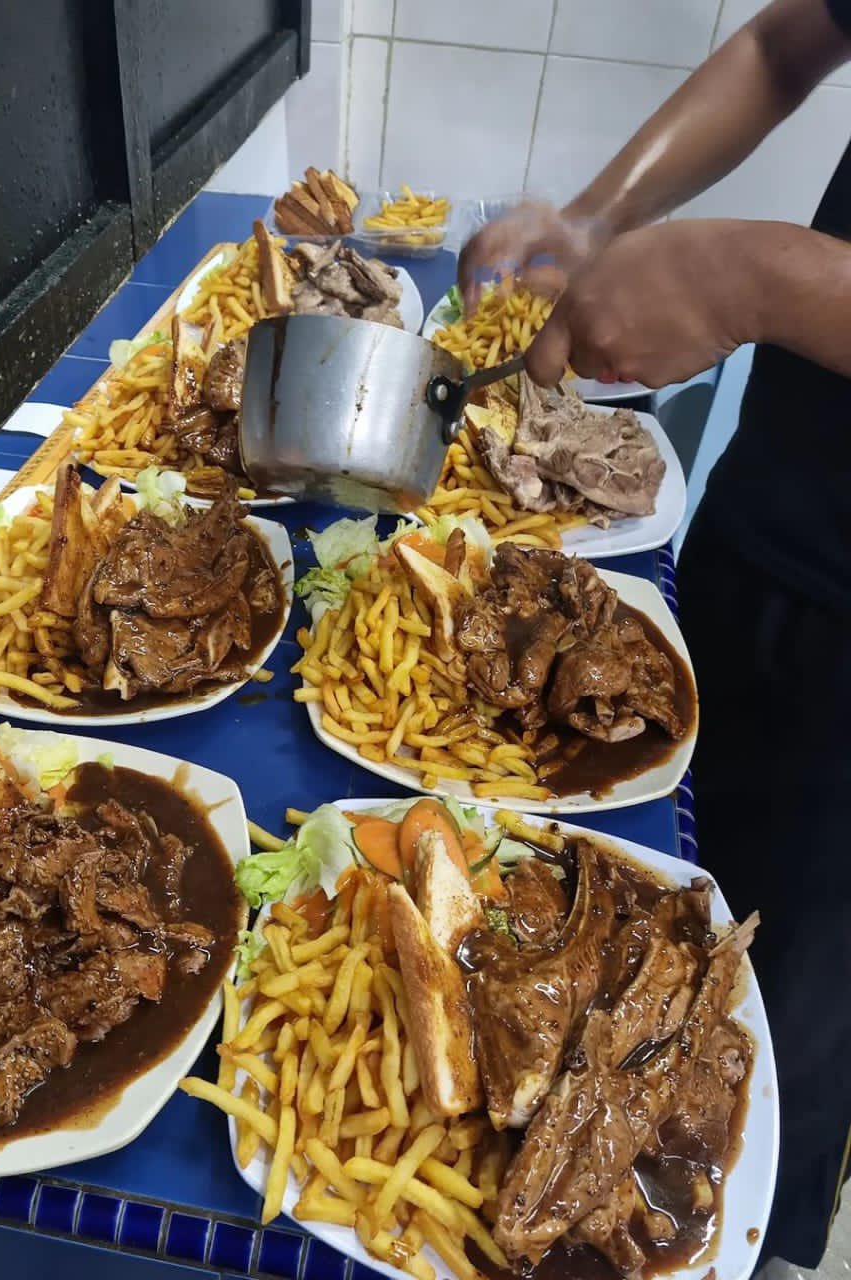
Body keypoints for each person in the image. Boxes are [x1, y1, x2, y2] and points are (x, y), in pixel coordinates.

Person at [457, 0, 851, 1269]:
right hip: (760, 529)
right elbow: (791, 40)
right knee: (606, 908)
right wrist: (593, 217)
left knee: (762, 1067)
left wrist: (763, 277)